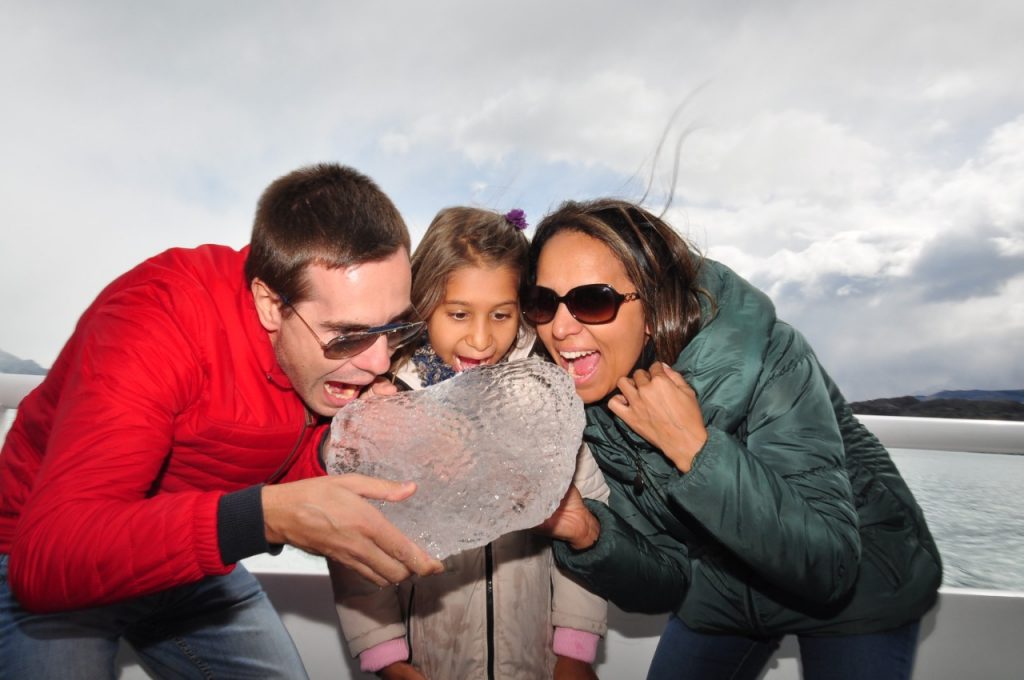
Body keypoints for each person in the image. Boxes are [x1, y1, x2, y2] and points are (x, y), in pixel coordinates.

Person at [0, 163, 444, 679]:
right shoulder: (155, 323)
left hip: (189, 564)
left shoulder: (324, 357)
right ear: (269, 303)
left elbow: (277, 450)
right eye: (347, 335)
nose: (378, 362)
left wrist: (336, 451)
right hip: (60, 562)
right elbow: (48, 558)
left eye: (395, 329)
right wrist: (263, 518)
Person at [528, 199, 942, 680]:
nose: (559, 328)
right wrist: (588, 533)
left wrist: (695, 450)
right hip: (721, 583)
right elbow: (666, 581)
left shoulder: (771, 356)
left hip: (860, 585)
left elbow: (830, 569)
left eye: (591, 300)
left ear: (654, 305)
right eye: (543, 302)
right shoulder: (589, 400)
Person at [329, 207, 609, 680]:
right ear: (422, 306)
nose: (481, 339)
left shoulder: (545, 401)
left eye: (501, 315)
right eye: (458, 314)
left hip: (537, 661)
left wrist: (575, 649)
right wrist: (388, 659)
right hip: (430, 662)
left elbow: (588, 513)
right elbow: (355, 546)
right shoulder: (388, 411)